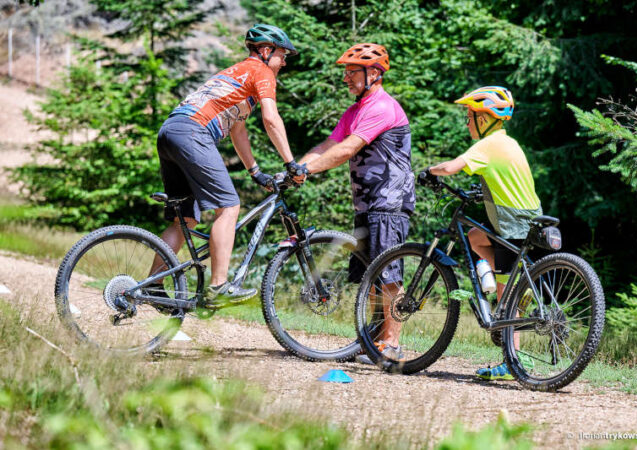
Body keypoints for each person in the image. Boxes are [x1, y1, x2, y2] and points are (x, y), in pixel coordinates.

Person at [148, 24, 307, 309]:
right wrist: (291, 163)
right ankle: (218, 287)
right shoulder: (262, 73)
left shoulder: (236, 72)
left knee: (185, 219)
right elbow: (272, 119)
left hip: (170, 131)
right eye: (283, 54)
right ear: (266, 51)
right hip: (193, 133)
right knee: (230, 207)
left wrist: (256, 172)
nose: (284, 61)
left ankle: (152, 285)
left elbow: (238, 131)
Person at [295, 43, 415, 362]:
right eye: (346, 72)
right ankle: (371, 341)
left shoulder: (382, 107)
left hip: (388, 202)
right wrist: (296, 167)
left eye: (352, 72)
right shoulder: (354, 111)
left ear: (373, 73)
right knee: (369, 274)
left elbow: (347, 150)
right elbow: (329, 144)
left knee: (387, 274)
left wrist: (306, 169)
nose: (346, 78)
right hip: (367, 205)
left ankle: (391, 343)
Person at [420, 86, 541, 380]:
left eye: (470, 116)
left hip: (511, 224)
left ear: (484, 118)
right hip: (528, 218)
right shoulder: (508, 143)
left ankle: (512, 364)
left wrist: (427, 171)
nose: (467, 122)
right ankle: (498, 286)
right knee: (475, 237)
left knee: (506, 293)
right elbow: (503, 179)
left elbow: (451, 167)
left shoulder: (487, 146)